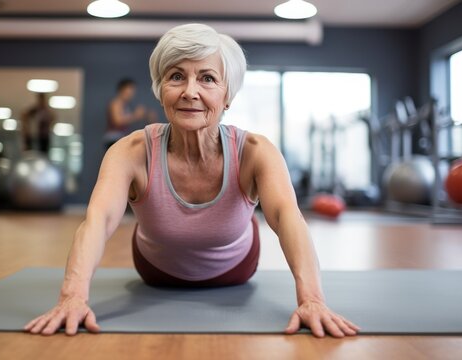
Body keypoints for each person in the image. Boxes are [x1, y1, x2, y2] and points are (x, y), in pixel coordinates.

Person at [24, 24, 360, 338]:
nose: (190, 92)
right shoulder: (131, 151)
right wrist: (72, 297)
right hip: (156, 271)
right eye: (176, 77)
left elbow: (288, 218)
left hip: (236, 267)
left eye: (208, 79)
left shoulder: (256, 151)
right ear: (160, 90)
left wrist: (312, 300)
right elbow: (98, 221)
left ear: (228, 96)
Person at [104, 78, 156, 150]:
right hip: (114, 139)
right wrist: (136, 115)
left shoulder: (125, 104)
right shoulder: (116, 103)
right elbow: (118, 120)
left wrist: (146, 115)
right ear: (123, 89)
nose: (132, 93)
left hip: (120, 138)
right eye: (130, 89)